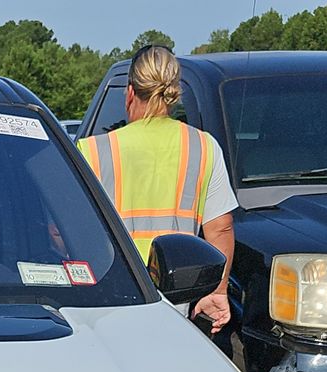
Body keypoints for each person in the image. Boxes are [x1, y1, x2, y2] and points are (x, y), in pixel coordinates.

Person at [76, 45, 238, 332]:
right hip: (175, 303)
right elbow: (220, 229)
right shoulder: (203, 147)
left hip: (106, 301)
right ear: (173, 94)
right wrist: (217, 291)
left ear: (129, 93)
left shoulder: (92, 151)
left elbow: (62, 234)